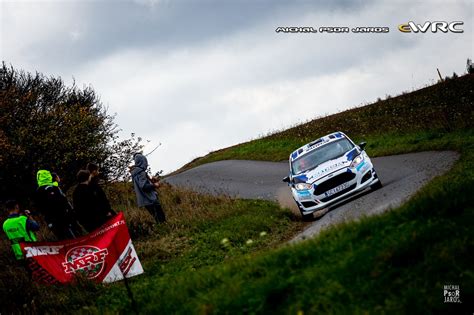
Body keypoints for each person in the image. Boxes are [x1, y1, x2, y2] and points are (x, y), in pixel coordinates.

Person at [34, 169, 81, 239]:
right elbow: (62, 201)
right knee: (74, 238)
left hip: (52, 221)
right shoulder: (52, 188)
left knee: (64, 240)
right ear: (47, 176)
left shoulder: (38, 191)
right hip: (63, 219)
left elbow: (39, 208)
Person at [130, 153, 166, 223]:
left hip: (144, 201)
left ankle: (164, 230)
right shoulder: (141, 172)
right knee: (161, 219)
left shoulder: (134, 173)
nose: (146, 163)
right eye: (145, 161)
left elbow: (140, 185)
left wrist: (151, 181)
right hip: (150, 199)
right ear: (142, 162)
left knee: (157, 219)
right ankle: (168, 232)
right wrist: (155, 185)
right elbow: (143, 186)